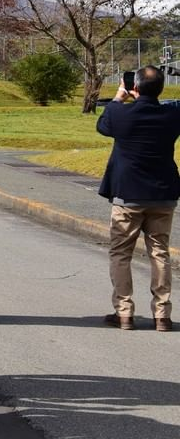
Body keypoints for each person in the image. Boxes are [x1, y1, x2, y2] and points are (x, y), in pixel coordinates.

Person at [97, 66, 180, 332]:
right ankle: (162, 315)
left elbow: (103, 125)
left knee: (121, 252)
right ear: (161, 88)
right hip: (163, 194)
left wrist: (121, 96)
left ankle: (124, 312)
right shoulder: (172, 114)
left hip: (128, 194)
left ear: (134, 88)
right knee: (159, 252)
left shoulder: (120, 113)